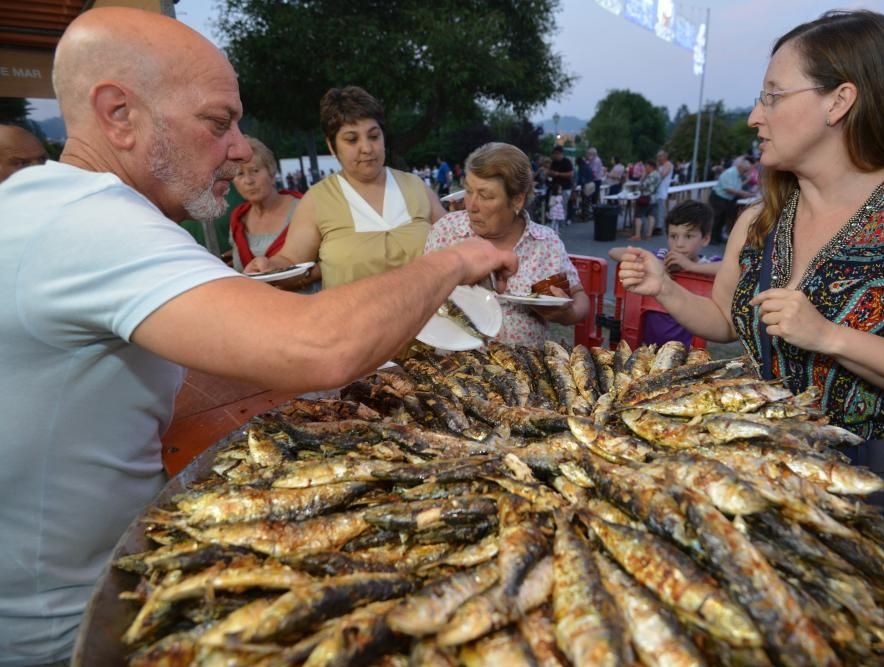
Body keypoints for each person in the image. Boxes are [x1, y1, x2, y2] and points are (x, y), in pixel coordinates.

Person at [0, 9, 517, 664]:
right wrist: (455, 260)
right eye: (219, 123)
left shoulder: (46, 201)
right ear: (118, 114)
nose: (242, 148)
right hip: (65, 628)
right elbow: (320, 346)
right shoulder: (91, 221)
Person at [618, 10, 884, 602]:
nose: (754, 116)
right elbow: (725, 320)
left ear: (839, 100)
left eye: (773, 96)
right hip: (765, 472)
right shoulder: (761, 216)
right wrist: (665, 289)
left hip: (879, 485)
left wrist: (832, 337)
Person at [246, 86, 447, 288]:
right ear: (332, 146)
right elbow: (291, 260)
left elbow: (453, 240)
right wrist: (269, 266)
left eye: (374, 136)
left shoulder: (416, 187)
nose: (367, 148)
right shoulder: (318, 200)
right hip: (357, 318)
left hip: (433, 315)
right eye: (352, 139)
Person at [425, 142, 588, 348]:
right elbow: (422, 293)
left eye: (485, 196)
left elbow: (579, 296)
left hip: (524, 371)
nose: (471, 205)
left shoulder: (544, 243)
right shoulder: (447, 231)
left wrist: (567, 312)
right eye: (468, 190)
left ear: (517, 200)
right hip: (452, 368)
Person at [611, 200, 720, 347]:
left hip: (687, 352)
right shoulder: (660, 256)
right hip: (648, 346)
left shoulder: (709, 263)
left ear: (705, 239)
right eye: (673, 236)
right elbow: (614, 252)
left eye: (688, 236)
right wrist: (656, 266)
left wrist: (691, 266)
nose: (679, 244)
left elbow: (736, 269)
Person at [228, 136, 320, 292]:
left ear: (271, 172)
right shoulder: (238, 219)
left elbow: (328, 262)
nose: (248, 181)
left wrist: (291, 282)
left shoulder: (303, 208)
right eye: (240, 174)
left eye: (255, 171)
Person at [708, 156, 753, 244]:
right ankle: (711, 238)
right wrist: (743, 193)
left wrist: (744, 192)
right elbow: (727, 188)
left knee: (722, 219)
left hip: (726, 199)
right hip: (719, 197)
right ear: (740, 167)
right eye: (745, 170)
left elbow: (736, 187)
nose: (745, 172)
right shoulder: (730, 173)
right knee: (716, 219)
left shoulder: (738, 175)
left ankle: (717, 237)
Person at [630, 158, 661, 240]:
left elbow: (643, 185)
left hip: (645, 197)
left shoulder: (651, 175)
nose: (645, 168)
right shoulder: (658, 174)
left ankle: (637, 235)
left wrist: (643, 177)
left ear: (651, 167)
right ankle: (649, 234)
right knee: (651, 215)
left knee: (638, 216)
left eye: (646, 166)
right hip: (654, 198)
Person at [546, 145, 574, 220]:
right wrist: (550, 173)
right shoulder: (554, 162)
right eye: (554, 154)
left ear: (560, 153)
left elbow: (570, 174)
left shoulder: (567, 162)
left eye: (556, 154)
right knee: (553, 205)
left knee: (562, 205)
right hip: (555, 187)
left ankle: (562, 222)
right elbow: (549, 172)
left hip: (565, 187)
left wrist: (558, 174)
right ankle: (553, 220)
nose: (554, 155)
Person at [653, 149, 673, 234]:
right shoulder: (661, 165)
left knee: (660, 209)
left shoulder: (668, 165)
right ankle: (656, 225)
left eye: (659, 156)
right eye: (657, 157)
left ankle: (659, 227)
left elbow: (662, 175)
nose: (658, 158)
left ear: (664, 157)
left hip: (662, 190)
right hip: (657, 190)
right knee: (655, 209)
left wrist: (657, 168)